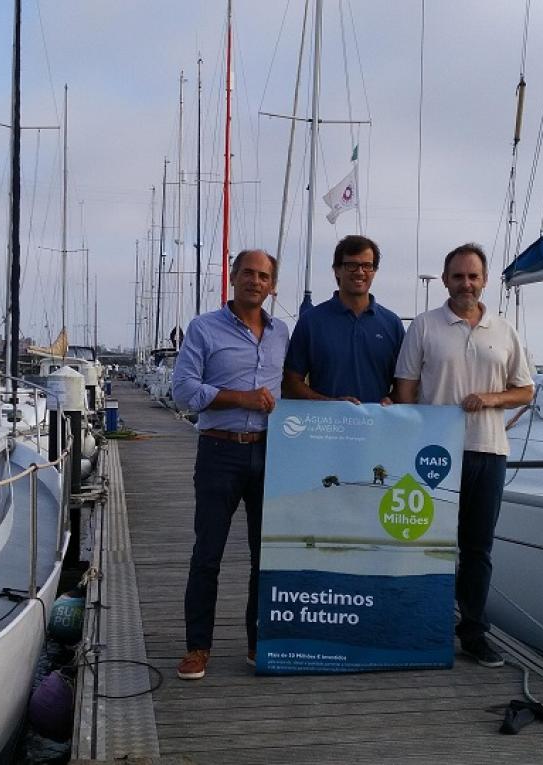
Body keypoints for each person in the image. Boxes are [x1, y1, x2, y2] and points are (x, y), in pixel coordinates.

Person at [392, 243, 533, 668]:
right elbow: (404, 388)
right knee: (423, 544)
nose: (466, 284)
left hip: (488, 452)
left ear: (485, 280)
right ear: (445, 279)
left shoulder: (504, 331)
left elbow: (525, 390)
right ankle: (419, 626)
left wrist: (490, 399)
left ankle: (472, 631)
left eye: (473, 276)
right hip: (434, 455)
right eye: (458, 276)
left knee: (477, 550)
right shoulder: (424, 326)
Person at [171, 249, 289, 680]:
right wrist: (242, 397)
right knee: (208, 554)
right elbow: (182, 391)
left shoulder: (282, 334)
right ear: (233, 278)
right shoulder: (204, 328)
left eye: (263, 276)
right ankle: (198, 647)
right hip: (219, 452)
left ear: (272, 286)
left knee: (266, 555)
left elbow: (293, 389)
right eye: (247, 273)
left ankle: (259, 643)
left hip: (269, 452)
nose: (254, 281)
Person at [283, 234, 405, 404]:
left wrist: (391, 400)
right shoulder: (310, 322)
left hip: (377, 428)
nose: (360, 272)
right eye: (351, 265)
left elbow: (404, 385)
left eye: (367, 266)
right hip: (327, 428)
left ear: (374, 271)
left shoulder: (392, 324)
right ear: (337, 270)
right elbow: (290, 383)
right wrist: (330, 404)